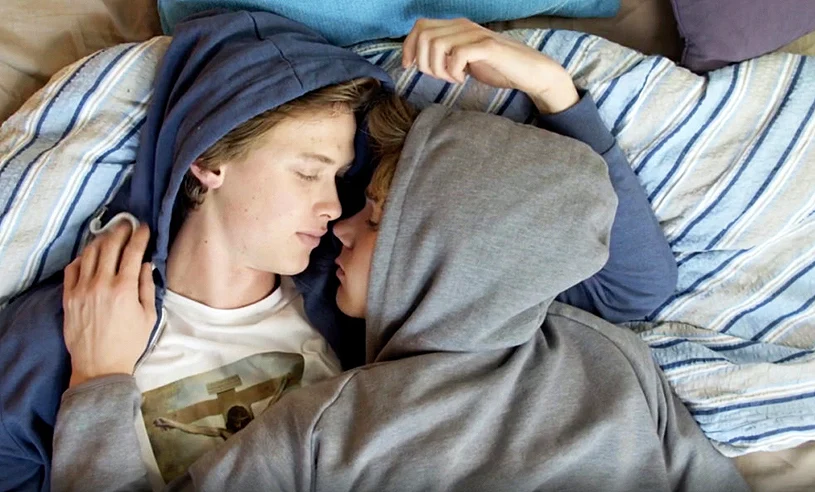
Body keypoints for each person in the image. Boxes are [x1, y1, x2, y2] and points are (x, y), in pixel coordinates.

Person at [48, 19, 742, 492]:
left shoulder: (325, 426)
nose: (338, 224)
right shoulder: (606, 356)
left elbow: (624, 270)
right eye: (313, 175)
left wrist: (551, 89)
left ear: (453, 245)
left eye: (374, 214)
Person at [0, 10, 393, 491]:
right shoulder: (72, 322)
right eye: (308, 172)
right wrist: (93, 379)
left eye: (337, 177)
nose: (332, 206)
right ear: (209, 159)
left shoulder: (353, 306)